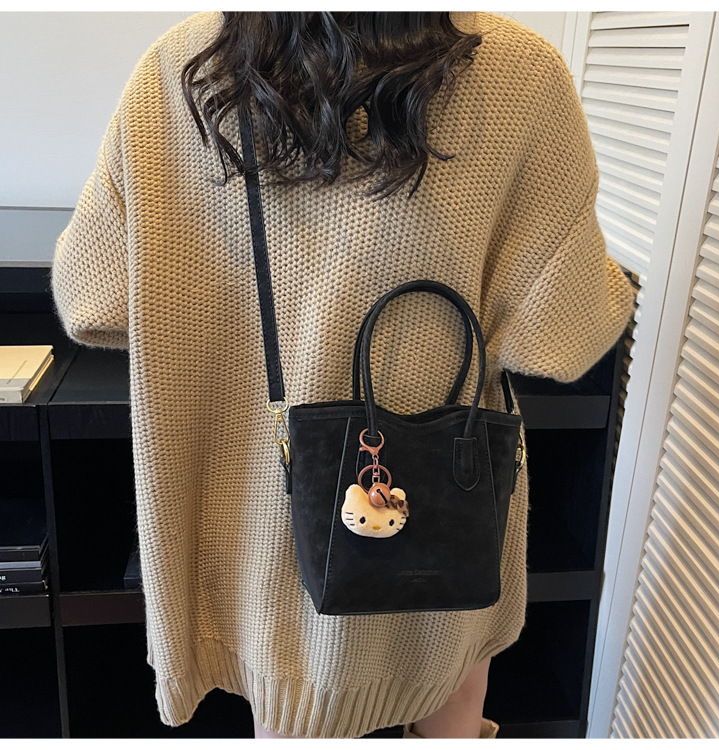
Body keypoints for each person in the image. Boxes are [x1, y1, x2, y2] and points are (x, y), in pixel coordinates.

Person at [51, 11, 636, 739]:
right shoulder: (522, 72)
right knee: (454, 701)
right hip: (444, 515)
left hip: (256, 534)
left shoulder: (181, 68)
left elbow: (91, 297)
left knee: (291, 716)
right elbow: (560, 339)